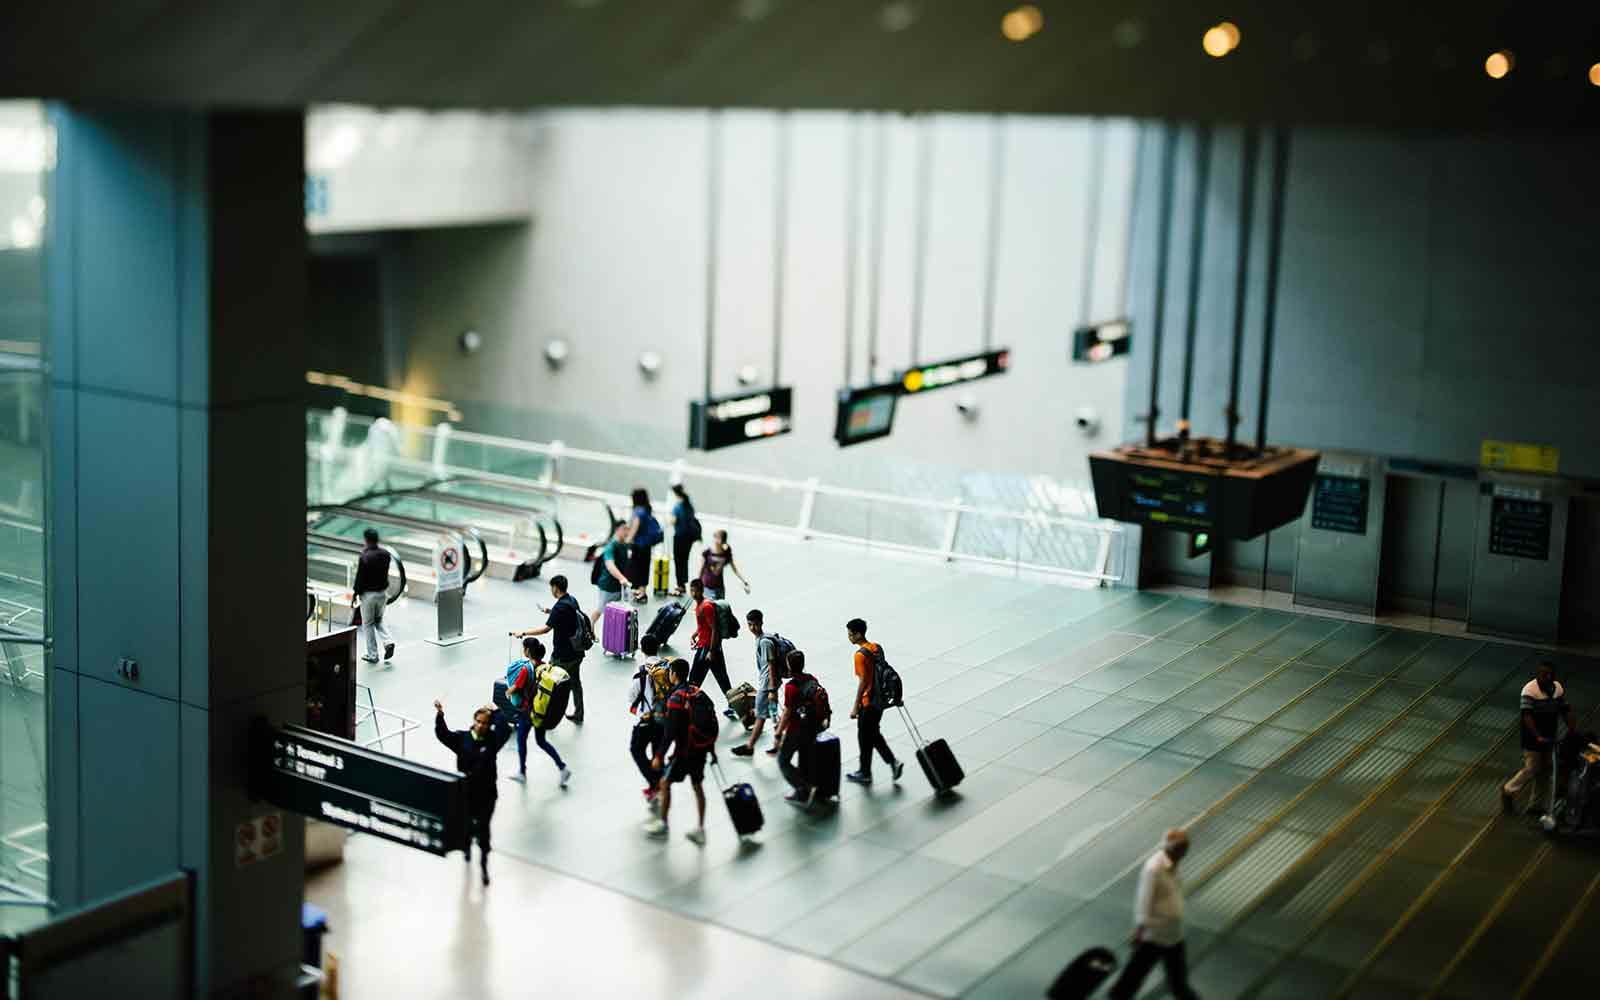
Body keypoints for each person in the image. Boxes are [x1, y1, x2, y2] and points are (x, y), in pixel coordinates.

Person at [1108, 829, 1199, 1000]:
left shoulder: (1173, 864)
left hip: (1174, 933)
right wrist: (1140, 931)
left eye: (1186, 848)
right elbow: (1144, 901)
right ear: (1171, 848)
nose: (1185, 853)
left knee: (1176, 981)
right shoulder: (1154, 868)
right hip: (1155, 934)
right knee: (1134, 978)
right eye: (1182, 848)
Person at [433, 700, 513, 886]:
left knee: (484, 830)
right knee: (467, 825)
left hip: (487, 794)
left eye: (486, 722)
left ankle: (484, 866)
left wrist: (496, 711)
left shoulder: (493, 740)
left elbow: (506, 730)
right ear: (474, 721)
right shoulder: (463, 739)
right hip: (467, 794)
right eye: (479, 721)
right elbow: (443, 735)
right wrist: (440, 715)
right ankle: (467, 848)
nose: (482, 725)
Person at [642, 658, 709, 844]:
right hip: (700, 749)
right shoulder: (697, 692)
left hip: (684, 751)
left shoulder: (675, 699)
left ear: (674, 675)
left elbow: (670, 732)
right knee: (698, 787)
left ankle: (663, 824)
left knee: (665, 782)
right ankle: (701, 829)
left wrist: (659, 755)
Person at [1502, 661, 1575, 815]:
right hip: (1532, 738)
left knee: (1545, 770)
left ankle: (1535, 804)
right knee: (1532, 768)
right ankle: (1508, 790)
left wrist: (1572, 729)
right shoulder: (1529, 690)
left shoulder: (1557, 688)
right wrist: (1537, 736)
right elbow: (1527, 717)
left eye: (1550, 674)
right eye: (1544, 674)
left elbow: (1565, 709)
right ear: (1538, 675)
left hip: (1549, 736)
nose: (1547, 677)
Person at [515, 575, 586, 724]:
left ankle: (544, 713)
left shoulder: (560, 607)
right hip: (577, 652)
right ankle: (579, 713)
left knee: (547, 681)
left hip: (562, 655)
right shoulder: (571, 600)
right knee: (575, 683)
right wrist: (549, 611)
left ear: (555, 587)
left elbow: (545, 629)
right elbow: (567, 615)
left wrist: (524, 632)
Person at [503, 637, 572, 787]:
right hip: (540, 710)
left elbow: (514, 689)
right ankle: (562, 767)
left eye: (524, 648)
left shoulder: (525, 669)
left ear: (527, 651)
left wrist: (507, 692)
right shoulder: (544, 666)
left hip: (527, 712)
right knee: (541, 741)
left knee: (521, 740)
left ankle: (522, 772)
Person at [845, 618, 903, 786]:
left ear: (859, 634)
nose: (849, 637)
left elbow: (863, 681)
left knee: (865, 736)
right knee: (872, 734)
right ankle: (887, 764)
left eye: (851, 634)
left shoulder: (859, 655)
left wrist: (856, 705)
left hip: (868, 702)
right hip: (881, 700)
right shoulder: (876, 648)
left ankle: (866, 772)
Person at [776, 649, 827, 808]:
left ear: (789, 667)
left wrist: (779, 732)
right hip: (814, 726)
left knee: (783, 760)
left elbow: (787, 712)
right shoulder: (812, 679)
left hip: (797, 730)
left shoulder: (791, 687)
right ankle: (813, 786)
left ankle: (803, 789)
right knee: (805, 759)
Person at [732, 609, 782, 757]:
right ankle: (779, 744)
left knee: (760, 716)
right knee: (773, 715)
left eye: (755, 624)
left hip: (767, 686)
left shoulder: (765, 642)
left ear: (761, 623)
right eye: (750, 625)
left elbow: (771, 665)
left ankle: (750, 746)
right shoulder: (763, 638)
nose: (753, 628)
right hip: (769, 685)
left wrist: (772, 690)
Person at [629, 634, 670, 807]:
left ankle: (655, 783)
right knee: (657, 754)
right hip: (665, 719)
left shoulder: (642, 672)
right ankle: (658, 785)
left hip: (647, 720)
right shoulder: (667, 667)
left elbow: (631, 697)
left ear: (642, 649)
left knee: (636, 749)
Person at [687, 578, 737, 720]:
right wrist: (696, 634)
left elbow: (715, 629)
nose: (693, 593)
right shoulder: (699, 605)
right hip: (707, 647)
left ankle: (690, 708)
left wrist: (711, 651)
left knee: (694, 680)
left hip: (708, 649)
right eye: (691, 590)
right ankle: (733, 705)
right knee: (722, 679)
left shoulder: (706, 606)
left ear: (701, 590)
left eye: (695, 590)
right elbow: (705, 626)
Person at [352, 527, 395, 664]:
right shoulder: (385, 554)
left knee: (368, 624)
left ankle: (373, 655)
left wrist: (355, 593)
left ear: (366, 540)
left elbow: (360, 578)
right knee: (379, 619)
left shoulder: (365, 556)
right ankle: (388, 642)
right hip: (383, 594)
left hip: (369, 595)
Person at [624, 487, 661, 604]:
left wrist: (626, 541)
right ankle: (642, 592)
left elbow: (635, 527)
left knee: (635, 569)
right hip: (647, 546)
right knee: (644, 569)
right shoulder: (646, 509)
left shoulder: (638, 511)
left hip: (638, 546)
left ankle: (638, 592)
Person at [592, 521, 631, 627]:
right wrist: (622, 578)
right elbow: (610, 565)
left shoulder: (624, 545)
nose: (627, 531)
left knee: (619, 609)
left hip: (619, 586)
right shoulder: (611, 546)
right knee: (600, 610)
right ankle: (590, 627)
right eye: (624, 529)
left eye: (628, 528)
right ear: (617, 530)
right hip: (608, 586)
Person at [668, 483, 701, 598]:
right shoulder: (688, 503)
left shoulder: (678, 507)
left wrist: (668, 520)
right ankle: (682, 584)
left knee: (678, 561)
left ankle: (680, 585)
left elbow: (673, 521)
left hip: (680, 537)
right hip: (690, 537)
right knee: (684, 560)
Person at [697, 529, 750, 600]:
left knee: (719, 609)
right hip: (707, 587)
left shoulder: (726, 554)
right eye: (717, 538)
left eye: (720, 539)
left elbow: (735, 570)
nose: (718, 541)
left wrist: (744, 581)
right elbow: (701, 570)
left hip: (719, 588)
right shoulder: (707, 553)